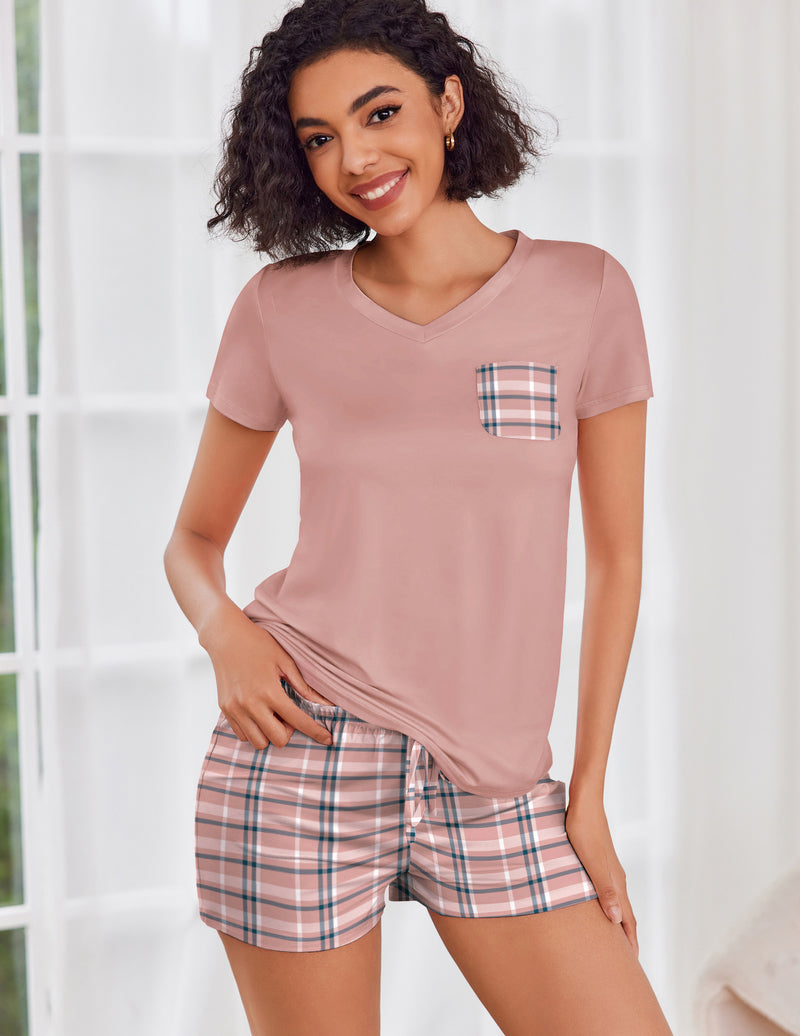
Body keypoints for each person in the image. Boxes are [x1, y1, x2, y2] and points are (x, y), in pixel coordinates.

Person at [163, 0, 674, 1032]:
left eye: (380, 112)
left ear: (447, 105)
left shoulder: (584, 293)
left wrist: (586, 796)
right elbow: (193, 542)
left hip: (494, 779)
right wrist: (225, 634)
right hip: (300, 749)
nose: (355, 157)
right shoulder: (279, 308)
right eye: (318, 137)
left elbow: (617, 561)